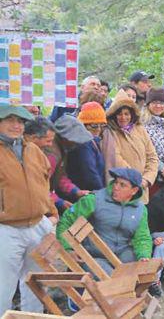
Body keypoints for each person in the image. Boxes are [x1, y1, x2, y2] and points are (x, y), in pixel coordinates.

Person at [0, 104, 58, 314]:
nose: (16, 126)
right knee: (3, 288)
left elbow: (45, 183)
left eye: (20, 121)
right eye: (10, 120)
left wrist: (51, 212)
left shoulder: (33, 150)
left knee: (36, 284)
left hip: (36, 225)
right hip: (6, 229)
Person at [56, 168, 152, 274]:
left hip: (121, 255)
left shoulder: (141, 209)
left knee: (140, 270)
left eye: (122, 185)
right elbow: (66, 221)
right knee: (114, 279)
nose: (116, 187)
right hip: (94, 256)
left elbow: (142, 237)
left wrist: (144, 256)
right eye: (116, 182)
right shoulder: (94, 200)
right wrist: (68, 249)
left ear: (134, 191)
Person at [104, 89, 159, 203]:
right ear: (114, 115)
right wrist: (135, 181)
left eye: (126, 114)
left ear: (132, 114)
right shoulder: (110, 134)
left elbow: (152, 157)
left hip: (142, 191)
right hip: (122, 190)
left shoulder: (140, 129)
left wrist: (146, 179)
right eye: (119, 114)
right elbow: (117, 159)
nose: (123, 117)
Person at [48, 115, 94, 205]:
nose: (77, 143)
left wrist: (76, 191)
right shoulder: (51, 154)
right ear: (65, 137)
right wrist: (60, 202)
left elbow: (60, 177)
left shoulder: (62, 149)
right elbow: (39, 187)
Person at [69, 101, 107, 191]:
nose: (98, 129)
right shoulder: (84, 143)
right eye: (94, 125)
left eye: (102, 125)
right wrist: (102, 194)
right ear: (83, 125)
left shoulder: (93, 141)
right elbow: (90, 174)